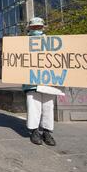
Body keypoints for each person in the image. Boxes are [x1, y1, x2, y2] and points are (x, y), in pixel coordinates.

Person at [22, 17, 57, 146]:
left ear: (43, 27)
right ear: (29, 28)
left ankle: (47, 132)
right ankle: (34, 131)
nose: (36, 29)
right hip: (30, 81)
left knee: (48, 107)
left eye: (39, 27)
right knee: (33, 107)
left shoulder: (52, 41)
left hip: (49, 80)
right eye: (34, 27)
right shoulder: (22, 43)